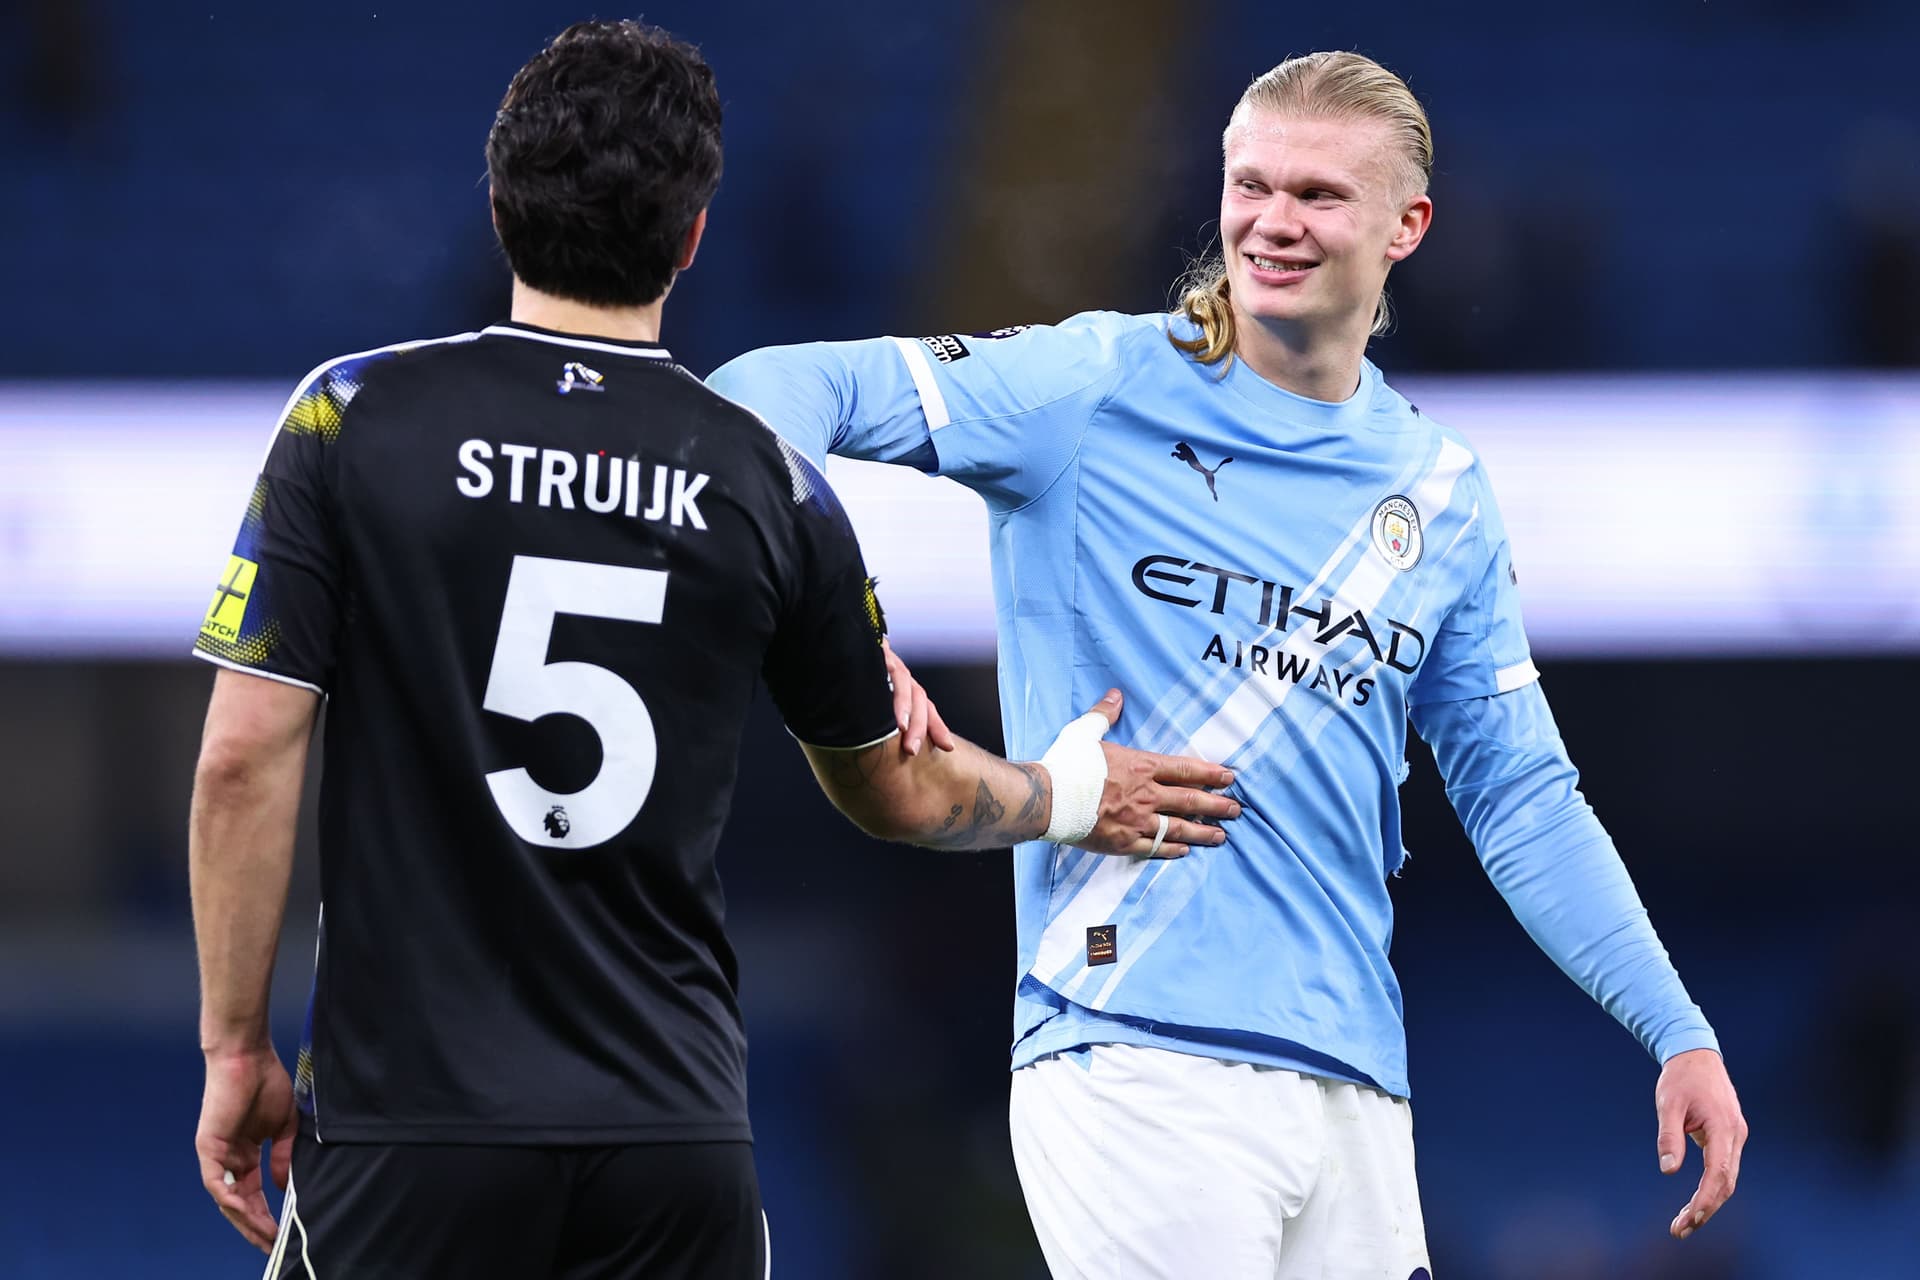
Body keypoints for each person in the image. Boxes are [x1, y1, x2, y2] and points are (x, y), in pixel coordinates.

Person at [185, 20, 1237, 1280]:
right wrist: (1067, 792)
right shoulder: (764, 479)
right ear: (690, 238)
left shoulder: (352, 417)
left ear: (500, 204)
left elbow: (243, 762)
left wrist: (234, 1049)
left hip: (415, 1129)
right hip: (669, 1138)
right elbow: (900, 788)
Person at [709, 50, 1749, 1280]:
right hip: (1130, 1045)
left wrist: (1675, 1028)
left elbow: (1524, 798)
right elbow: (761, 393)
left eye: (1316, 193)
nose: (1272, 220)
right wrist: (850, 635)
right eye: (1249, 184)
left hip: (1356, 1086)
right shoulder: (1094, 385)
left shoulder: (1441, 492)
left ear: (1408, 225)